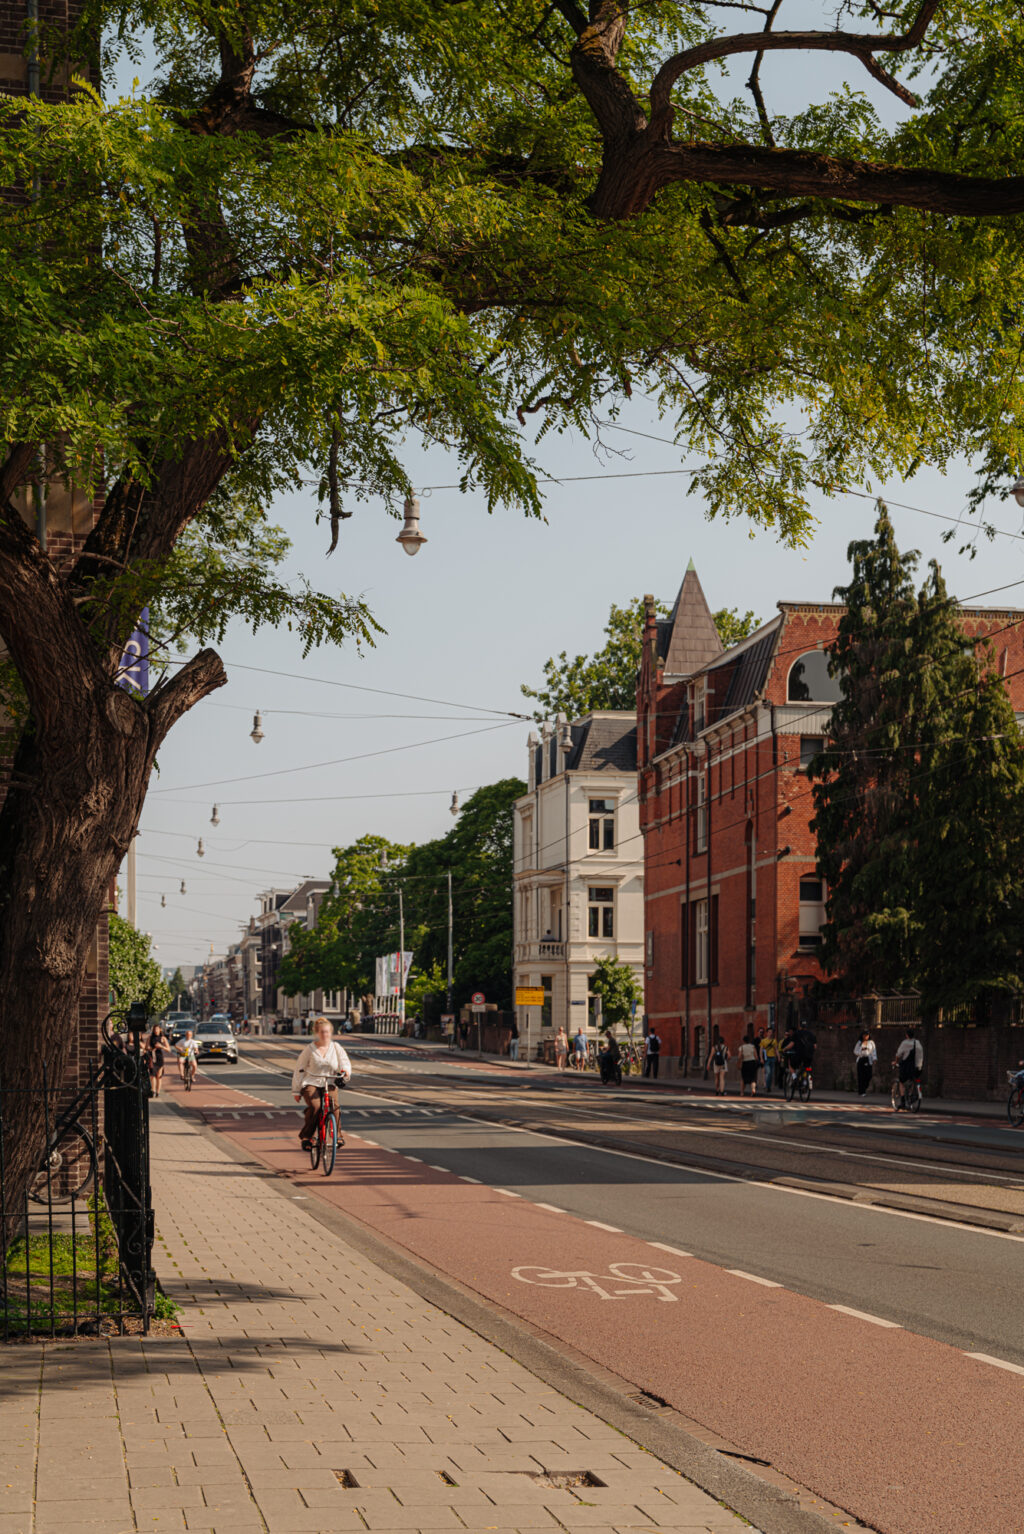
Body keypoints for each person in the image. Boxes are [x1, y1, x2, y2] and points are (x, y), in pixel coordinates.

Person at [292, 1017, 353, 1148]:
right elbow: (299, 1069)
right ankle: (307, 1137)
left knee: (334, 1106)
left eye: (327, 1032)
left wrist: (346, 1073)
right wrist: (296, 1090)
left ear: (331, 1032)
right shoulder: (310, 1049)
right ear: (317, 1033)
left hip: (330, 1082)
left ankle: (337, 1137)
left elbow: (345, 1062)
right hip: (311, 1082)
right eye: (321, 1032)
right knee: (316, 1107)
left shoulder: (336, 1048)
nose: (324, 1035)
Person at [893, 1027, 923, 1109]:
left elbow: (898, 1054)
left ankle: (903, 1102)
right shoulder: (918, 1043)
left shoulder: (905, 1043)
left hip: (908, 1068)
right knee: (913, 1079)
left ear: (906, 1035)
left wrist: (895, 1062)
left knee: (901, 1081)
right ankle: (911, 1095)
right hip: (918, 1068)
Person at [146, 1023, 168, 1098]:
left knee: (159, 1076)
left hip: (159, 1057)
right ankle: (153, 1090)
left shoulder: (163, 1038)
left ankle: (158, 1092)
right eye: (155, 1029)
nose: (156, 1031)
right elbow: (146, 1047)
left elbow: (168, 1049)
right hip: (152, 1057)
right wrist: (151, 1048)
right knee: (152, 1075)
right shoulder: (150, 1037)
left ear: (160, 1030)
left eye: (157, 1029)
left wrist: (161, 1046)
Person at [738, 1028, 760, 1096]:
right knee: (753, 1078)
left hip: (745, 1063)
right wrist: (757, 1061)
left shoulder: (741, 1047)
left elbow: (739, 1056)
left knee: (743, 1078)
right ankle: (753, 1090)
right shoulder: (752, 1046)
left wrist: (739, 1062)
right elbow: (756, 1056)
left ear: (743, 1041)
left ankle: (742, 1092)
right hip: (752, 1063)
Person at [854, 1030, 877, 1096]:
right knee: (861, 1076)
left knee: (869, 1075)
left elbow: (874, 1051)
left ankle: (865, 1087)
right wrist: (861, 1051)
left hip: (868, 1059)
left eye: (867, 1035)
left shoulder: (871, 1042)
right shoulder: (859, 1042)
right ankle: (861, 1091)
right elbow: (855, 1051)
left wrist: (874, 1059)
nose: (866, 1037)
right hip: (861, 1059)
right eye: (864, 1035)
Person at [759, 1028, 779, 1094]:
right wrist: (761, 1058)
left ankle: (769, 1086)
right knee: (768, 1072)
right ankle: (767, 1086)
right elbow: (761, 1050)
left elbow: (776, 1049)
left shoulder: (774, 1041)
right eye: (769, 1032)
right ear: (767, 1033)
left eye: (771, 1032)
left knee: (771, 1073)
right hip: (766, 1058)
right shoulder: (763, 1041)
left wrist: (778, 1057)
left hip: (772, 1057)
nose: (770, 1033)